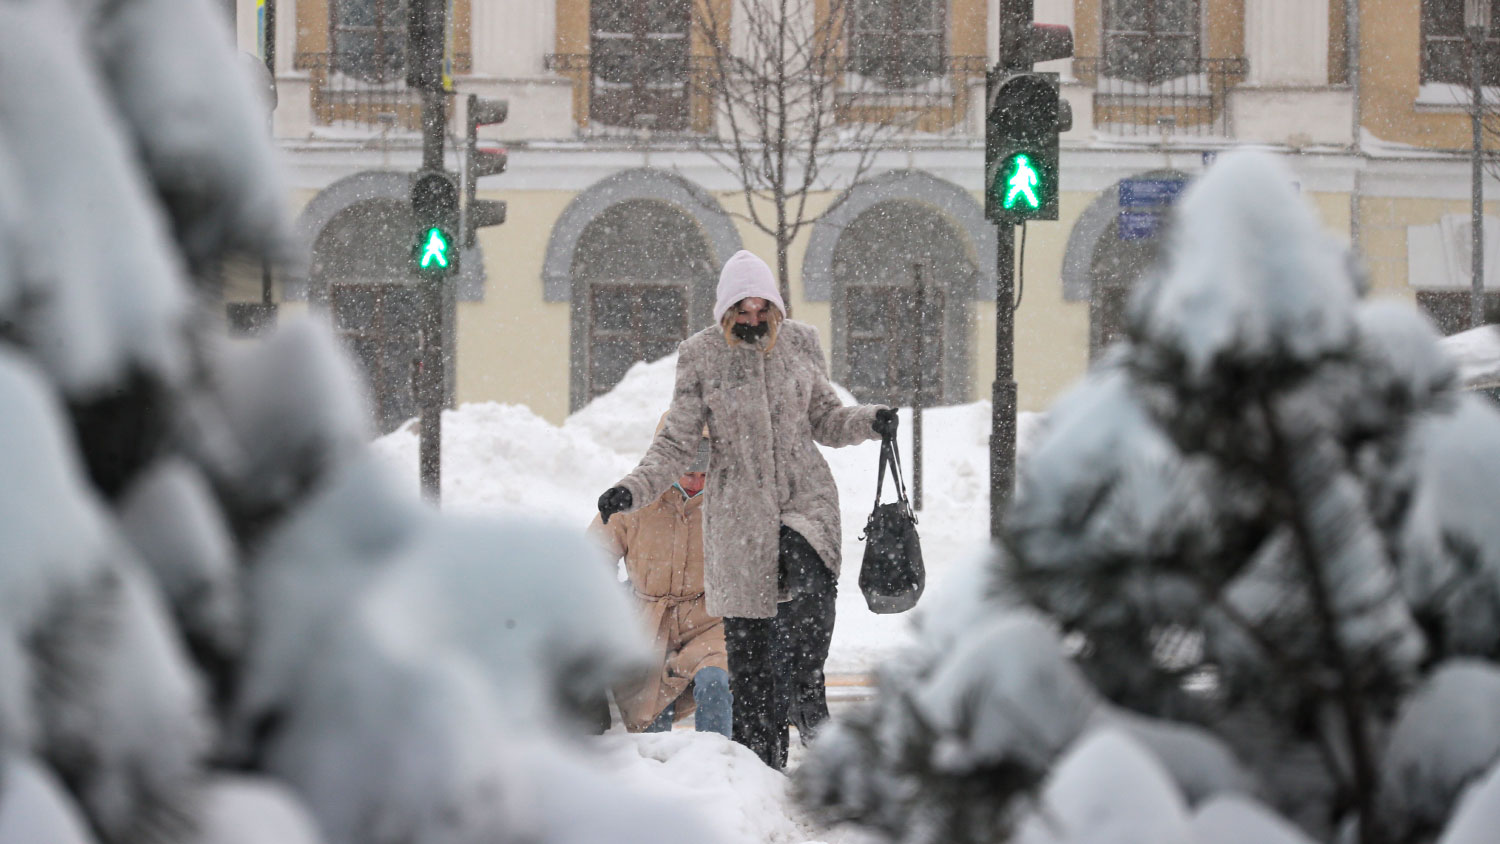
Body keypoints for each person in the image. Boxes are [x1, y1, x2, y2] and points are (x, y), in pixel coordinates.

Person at [596, 249, 897, 769]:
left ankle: (806, 683)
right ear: (726, 311)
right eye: (744, 310)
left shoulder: (801, 344)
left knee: (808, 578)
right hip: (736, 512)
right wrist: (632, 488)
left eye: (763, 309)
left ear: (777, 308)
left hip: (804, 496)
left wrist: (869, 421)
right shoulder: (701, 356)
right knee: (751, 662)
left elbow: (825, 418)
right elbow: (676, 441)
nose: (754, 319)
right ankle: (762, 768)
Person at [588, 426, 732, 737]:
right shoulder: (633, 498)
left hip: (709, 619)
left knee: (716, 683)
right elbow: (593, 555)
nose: (696, 481)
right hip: (648, 623)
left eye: (705, 473)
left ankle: (720, 764)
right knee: (649, 713)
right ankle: (655, 773)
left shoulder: (731, 500)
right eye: (688, 472)